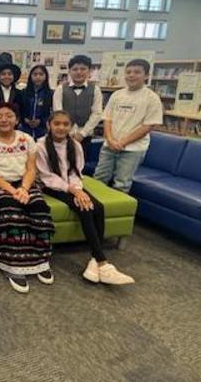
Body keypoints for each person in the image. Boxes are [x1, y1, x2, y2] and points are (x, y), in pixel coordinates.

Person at [37, 111, 134, 285]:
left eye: (65, 124)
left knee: (98, 207)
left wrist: (77, 189)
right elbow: (47, 177)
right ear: (48, 125)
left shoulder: (75, 145)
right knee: (84, 208)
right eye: (56, 123)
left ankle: (95, 261)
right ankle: (103, 262)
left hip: (72, 185)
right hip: (51, 187)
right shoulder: (41, 145)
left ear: (71, 126)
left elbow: (76, 172)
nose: (61, 127)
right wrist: (74, 191)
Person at [0, 102, 55, 294]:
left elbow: (30, 169)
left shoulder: (27, 139)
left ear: (17, 119)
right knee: (10, 211)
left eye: (9, 115)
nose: (4, 119)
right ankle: (12, 264)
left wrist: (24, 189)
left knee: (39, 209)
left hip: (24, 183)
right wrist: (13, 191)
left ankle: (39, 260)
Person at [94, 59, 163, 193]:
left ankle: (116, 212)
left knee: (122, 183)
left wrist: (122, 143)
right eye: (128, 72)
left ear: (146, 76)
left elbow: (147, 126)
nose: (131, 75)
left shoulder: (152, 98)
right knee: (99, 178)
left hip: (132, 149)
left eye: (137, 72)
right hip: (109, 146)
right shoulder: (117, 95)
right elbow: (107, 119)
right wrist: (110, 140)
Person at [52, 54, 102, 161]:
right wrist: (68, 132)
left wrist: (82, 133)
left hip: (85, 135)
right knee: (61, 163)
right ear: (69, 71)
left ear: (89, 71)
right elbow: (58, 113)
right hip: (63, 134)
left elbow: (97, 113)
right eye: (75, 69)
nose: (79, 72)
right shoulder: (60, 89)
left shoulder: (96, 90)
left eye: (83, 69)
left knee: (81, 166)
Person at [22, 64, 53, 140]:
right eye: (35, 74)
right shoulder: (23, 92)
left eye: (41, 74)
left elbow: (52, 112)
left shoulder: (50, 94)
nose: (38, 77)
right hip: (25, 128)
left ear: (46, 76)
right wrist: (25, 119)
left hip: (43, 129)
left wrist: (40, 121)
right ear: (30, 76)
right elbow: (20, 110)